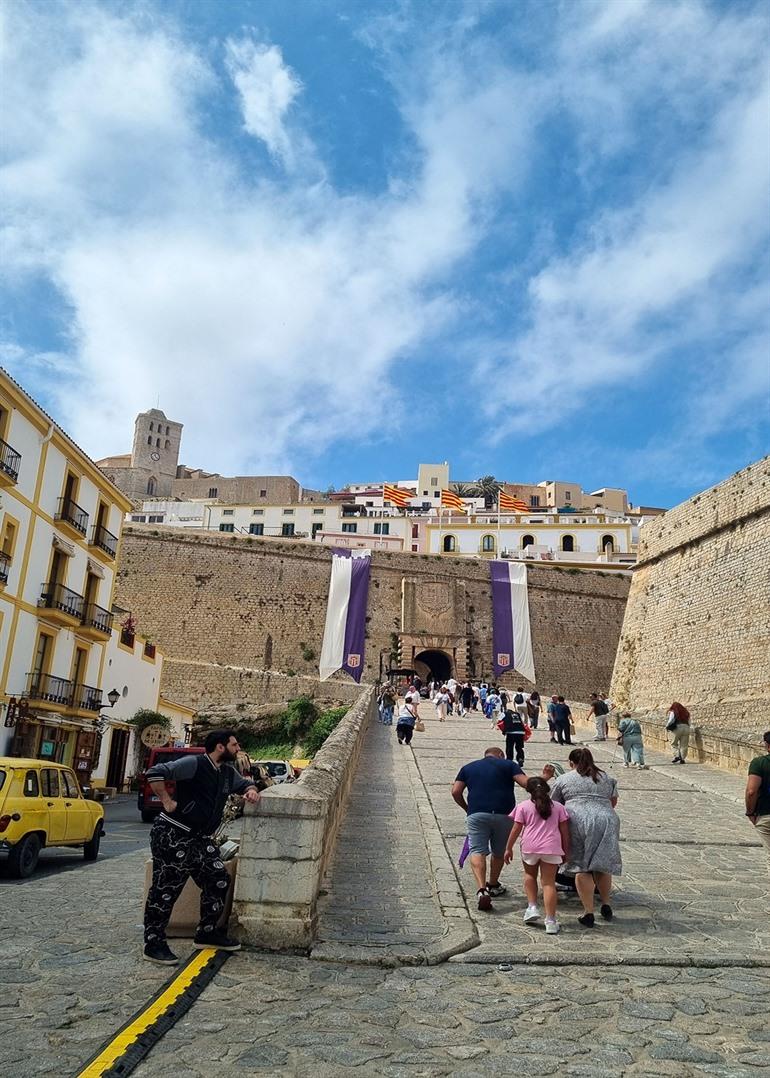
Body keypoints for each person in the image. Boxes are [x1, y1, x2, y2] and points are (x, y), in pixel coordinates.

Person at [143, 729, 260, 964]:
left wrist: (251, 791)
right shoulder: (193, 764)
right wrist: (166, 800)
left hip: (199, 839)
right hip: (172, 834)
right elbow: (155, 773)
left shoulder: (227, 772)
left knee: (218, 877)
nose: (238, 749)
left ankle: (207, 932)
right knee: (166, 889)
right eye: (234, 745)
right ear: (220, 747)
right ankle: (153, 943)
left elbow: (246, 785)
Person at [551, 748, 621, 928]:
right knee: (601, 863)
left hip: (578, 820)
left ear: (571, 763)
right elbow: (613, 802)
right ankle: (605, 903)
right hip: (607, 819)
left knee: (582, 866)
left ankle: (588, 912)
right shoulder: (606, 777)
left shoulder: (564, 779)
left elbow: (555, 803)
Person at [452, 747, 528, 911]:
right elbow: (526, 784)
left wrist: (467, 808)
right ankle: (493, 884)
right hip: (504, 815)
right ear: (501, 755)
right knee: (498, 852)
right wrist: (544, 777)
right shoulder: (509, 765)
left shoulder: (468, 767)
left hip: (477, 814)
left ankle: (481, 889)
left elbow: (456, 791)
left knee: (477, 850)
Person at [504, 777, 571, 934]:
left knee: (529, 875)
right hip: (551, 847)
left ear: (529, 791)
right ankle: (551, 921)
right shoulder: (559, 808)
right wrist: (566, 850)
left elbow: (515, 829)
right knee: (548, 883)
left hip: (530, 846)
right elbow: (565, 832)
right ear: (547, 789)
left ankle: (532, 906)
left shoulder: (523, 807)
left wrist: (508, 848)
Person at [745, 731, 770, 876]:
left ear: (767, 745)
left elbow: (751, 791)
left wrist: (750, 812)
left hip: (765, 815)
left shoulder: (759, 763)